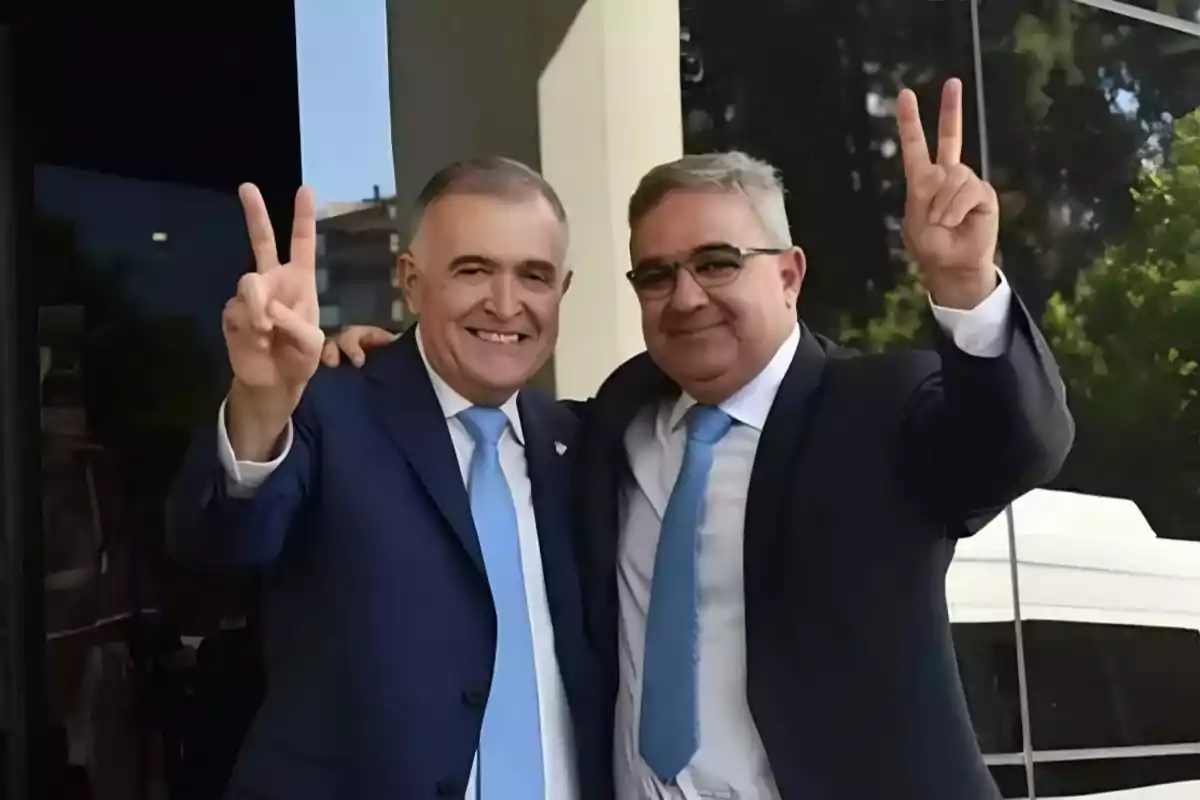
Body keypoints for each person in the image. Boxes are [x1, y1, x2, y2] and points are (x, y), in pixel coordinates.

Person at [326, 79, 1074, 799]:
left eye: (717, 263)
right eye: (656, 276)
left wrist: (967, 286)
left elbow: (1016, 444)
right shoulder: (614, 423)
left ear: (788, 275)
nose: (685, 298)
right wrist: (407, 359)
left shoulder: (879, 409)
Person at [166, 158, 612, 800]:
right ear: (411, 281)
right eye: (473, 269)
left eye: (533, 276)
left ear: (562, 292)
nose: (506, 303)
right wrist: (262, 402)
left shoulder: (588, 445)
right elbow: (213, 548)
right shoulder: (327, 407)